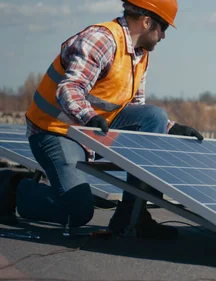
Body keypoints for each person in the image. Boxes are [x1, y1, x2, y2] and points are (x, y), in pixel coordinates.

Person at [0, 0, 203, 239]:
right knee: (77, 211)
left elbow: (134, 110)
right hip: (55, 130)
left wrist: (171, 128)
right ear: (147, 21)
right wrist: (90, 118)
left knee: (154, 116)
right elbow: (70, 89)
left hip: (93, 126)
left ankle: (132, 217)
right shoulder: (101, 40)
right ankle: (10, 187)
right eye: (163, 28)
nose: (163, 36)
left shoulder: (140, 55)